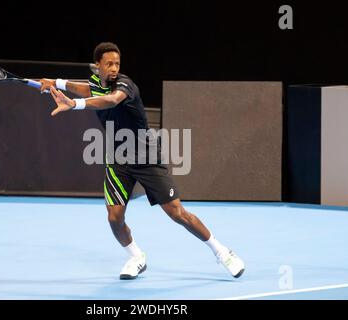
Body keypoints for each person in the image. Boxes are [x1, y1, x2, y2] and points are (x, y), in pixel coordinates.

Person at [39, 42, 245, 280]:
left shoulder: (126, 85)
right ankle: (136, 257)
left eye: (117, 63)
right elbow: (87, 88)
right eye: (109, 64)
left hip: (146, 157)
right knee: (114, 218)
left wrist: (75, 104)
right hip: (117, 160)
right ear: (98, 66)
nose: (114, 68)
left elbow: (110, 100)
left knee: (177, 213)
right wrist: (55, 83)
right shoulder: (95, 83)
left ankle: (221, 251)